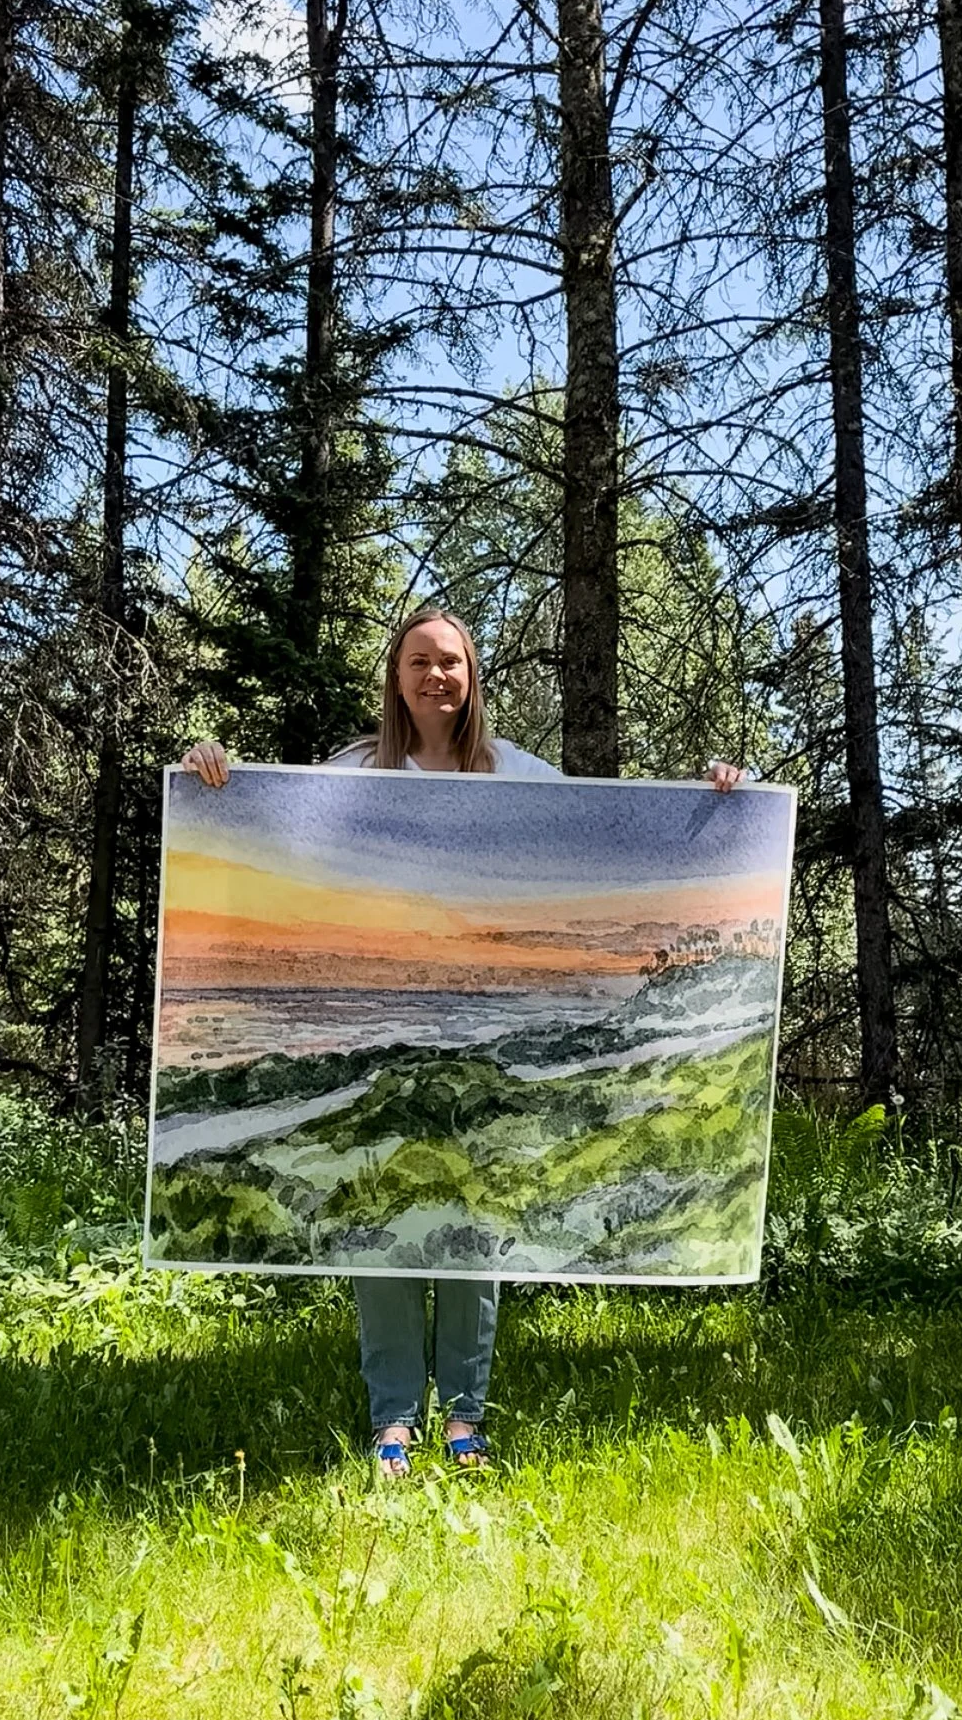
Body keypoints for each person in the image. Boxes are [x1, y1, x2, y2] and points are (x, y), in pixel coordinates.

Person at [183, 606, 743, 1477]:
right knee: (382, 1221)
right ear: (396, 676)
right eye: (419, 661)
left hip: (486, 1032)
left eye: (450, 661)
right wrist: (212, 773)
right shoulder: (355, 769)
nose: (435, 675)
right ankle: (394, 1417)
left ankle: (466, 1414)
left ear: (472, 674)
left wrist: (714, 799)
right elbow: (278, 832)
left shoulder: (515, 772)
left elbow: (607, 827)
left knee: (476, 1223)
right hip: (386, 1028)